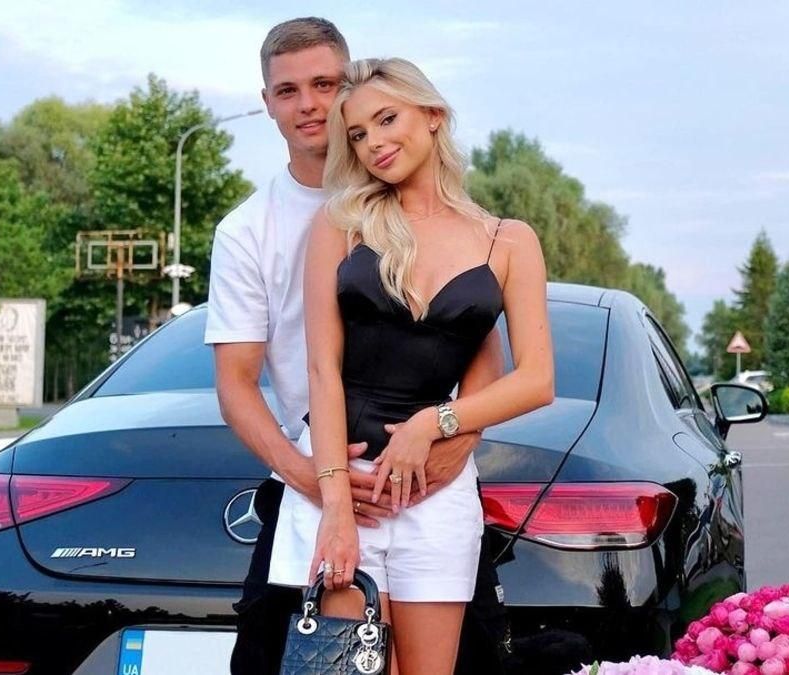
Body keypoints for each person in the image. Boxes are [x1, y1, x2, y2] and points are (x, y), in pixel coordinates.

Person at [204, 18, 508, 674]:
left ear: (352, 87)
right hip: (316, 482)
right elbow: (236, 382)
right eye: (288, 91)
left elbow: (479, 347)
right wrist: (311, 476)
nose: (309, 104)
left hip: (424, 484)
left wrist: (457, 441)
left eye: (325, 84)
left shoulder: (437, 215)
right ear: (268, 103)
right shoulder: (246, 231)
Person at [266, 57, 554, 674]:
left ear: (433, 116)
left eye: (386, 119)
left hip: (434, 494)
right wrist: (335, 507)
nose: (373, 143)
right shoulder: (341, 224)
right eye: (357, 134)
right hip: (348, 485)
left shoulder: (508, 241)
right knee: (344, 670)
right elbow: (322, 371)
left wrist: (436, 423)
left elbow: (536, 380)